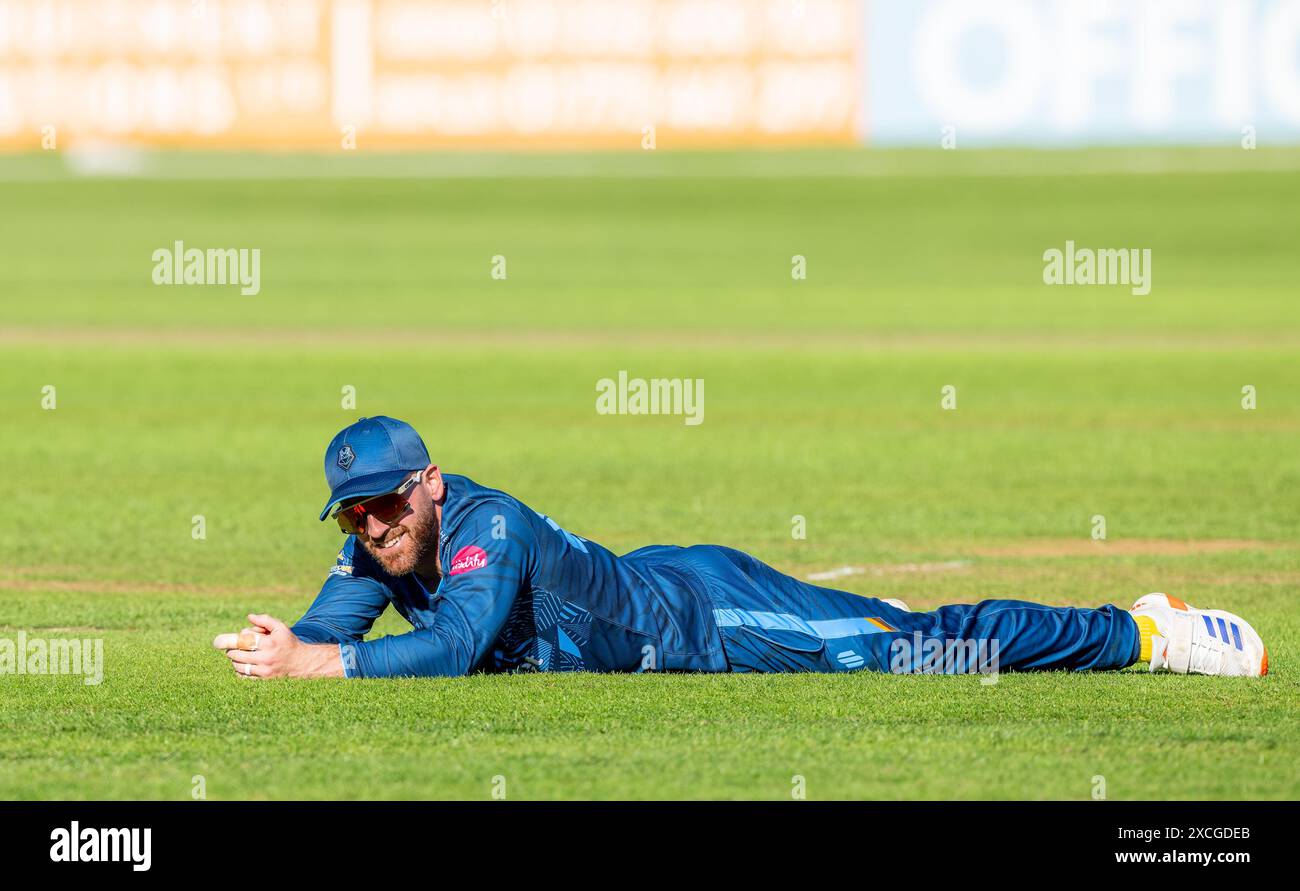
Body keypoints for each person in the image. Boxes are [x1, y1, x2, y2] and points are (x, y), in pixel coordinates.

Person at [216, 416, 1268, 680]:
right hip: (661, 575)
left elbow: (451, 646)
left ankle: (1140, 634)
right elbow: (326, 631)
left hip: (712, 620)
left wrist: (322, 664)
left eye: (387, 505)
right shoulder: (380, 546)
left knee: (918, 648)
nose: (373, 528)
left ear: (430, 484)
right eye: (353, 515)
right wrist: (288, 645)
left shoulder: (491, 525)